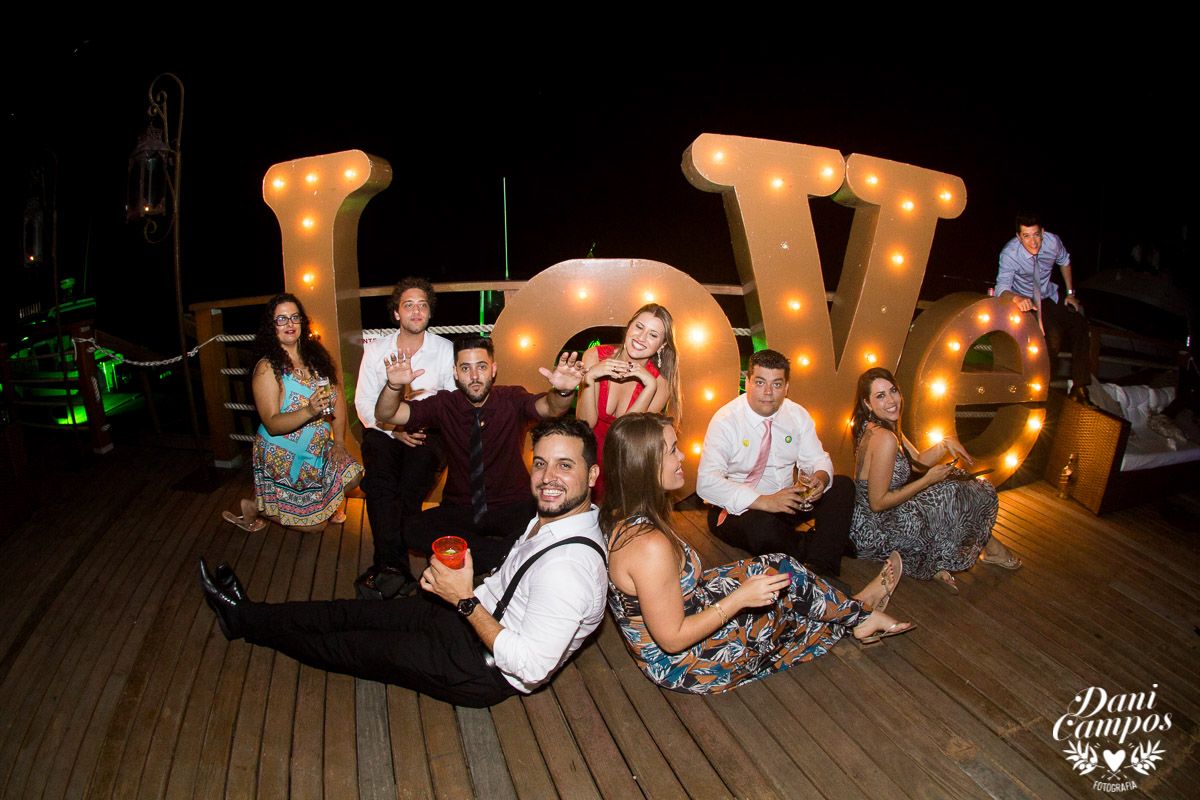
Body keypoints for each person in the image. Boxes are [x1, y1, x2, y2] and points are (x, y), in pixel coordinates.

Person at [200, 418, 608, 708]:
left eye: (564, 465)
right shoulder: (551, 516)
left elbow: (531, 667)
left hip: (477, 668)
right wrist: (461, 589)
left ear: (592, 476)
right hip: (466, 617)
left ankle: (244, 624)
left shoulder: (570, 570)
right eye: (540, 463)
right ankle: (249, 613)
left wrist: (465, 600)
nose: (547, 476)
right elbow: (510, 580)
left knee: (351, 648)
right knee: (347, 613)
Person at [603, 413, 912, 694]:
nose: (682, 455)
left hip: (689, 606)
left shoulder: (621, 511)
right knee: (785, 612)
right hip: (688, 664)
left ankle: (857, 614)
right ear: (644, 464)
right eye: (672, 450)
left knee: (779, 569)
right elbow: (672, 640)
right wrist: (739, 598)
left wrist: (745, 585)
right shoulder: (648, 546)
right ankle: (860, 614)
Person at [374, 335, 585, 576]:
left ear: (493, 369)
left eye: (481, 367)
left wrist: (565, 391)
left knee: (549, 528)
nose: (474, 377)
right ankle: (504, 556)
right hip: (462, 506)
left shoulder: (511, 399)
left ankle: (478, 555)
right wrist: (393, 387)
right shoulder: (444, 404)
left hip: (512, 504)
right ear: (455, 372)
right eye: (466, 368)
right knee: (412, 529)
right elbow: (388, 414)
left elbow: (551, 407)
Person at [850, 368, 1021, 594]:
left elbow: (917, 460)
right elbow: (878, 503)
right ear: (868, 404)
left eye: (893, 391)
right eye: (880, 396)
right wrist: (927, 481)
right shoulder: (884, 438)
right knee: (948, 492)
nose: (891, 400)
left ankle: (981, 551)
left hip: (876, 519)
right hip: (875, 530)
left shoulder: (882, 427)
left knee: (955, 481)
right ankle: (968, 554)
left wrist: (944, 443)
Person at [697, 349, 854, 591]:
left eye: (776, 384)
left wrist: (819, 481)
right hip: (740, 511)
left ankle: (820, 565)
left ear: (786, 387)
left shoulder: (797, 414)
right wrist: (765, 501)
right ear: (747, 383)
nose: (768, 392)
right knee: (762, 527)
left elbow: (817, 460)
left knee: (842, 485)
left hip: (788, 502)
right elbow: (706, 483)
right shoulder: (726, 419)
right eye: (760, 383)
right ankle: (824, 549)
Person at [223, 294, 362, 533]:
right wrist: (309, 410)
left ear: (302, 322)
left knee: (354, 476)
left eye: (294, 317)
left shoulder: (316, 356)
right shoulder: (267, 368)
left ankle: (321, 505)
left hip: (317, 449)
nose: (289, 324)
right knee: (316, 527)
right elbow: (273, 424)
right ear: (271, 327)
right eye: (281, 319)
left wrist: (338, 443)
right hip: (282, 456)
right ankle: (255, 507)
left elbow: (337, 398)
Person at [354, 277, 456, 599]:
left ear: (429, 313)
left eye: (422, 305)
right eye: (408, 305)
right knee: (381, 481)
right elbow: (363, 403)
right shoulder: (376, 351)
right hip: (384, 430)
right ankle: (396, 567)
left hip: (429, 432)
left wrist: (417, 425)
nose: (416, 310)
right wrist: (394, 430)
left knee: (410, 484)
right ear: (396, 313)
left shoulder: (444, 350)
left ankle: (388, 568)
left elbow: (452, 403)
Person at [576, 303, 681, 498]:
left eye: (653, 334)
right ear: (629, 326)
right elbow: (584, 424)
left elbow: (626, 439)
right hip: (585, 456)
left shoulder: (660, 384)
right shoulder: (594, 356)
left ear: (662, 345)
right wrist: (590, 377)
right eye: (639, 327)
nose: (641, 338)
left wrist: (649, 386)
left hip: (623, 466)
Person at [996, 212, 1090, 389]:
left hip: (1047, 295)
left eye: (1036, 235)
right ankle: (1039, 385)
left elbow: (1065, 261)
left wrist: (1070, 293)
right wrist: (1016, 298)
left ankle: (1080, 388)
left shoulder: (1052, 242)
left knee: (1079, 323)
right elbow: (1001, 288)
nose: (1033, 242)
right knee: (1052, 335)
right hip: (1023, 300)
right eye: (1027, 236)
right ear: (1019, 237)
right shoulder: (1010, 254)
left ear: (1043, 232)